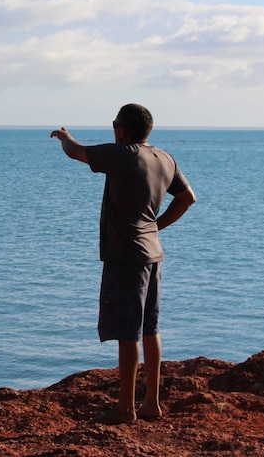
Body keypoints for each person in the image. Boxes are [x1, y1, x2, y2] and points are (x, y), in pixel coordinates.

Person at [50, 104, 195, 425]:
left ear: (122, 129)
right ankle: (152, 403)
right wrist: (156, 226)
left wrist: (64, 136)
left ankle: (125, 408)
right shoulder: (165, 158)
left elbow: (76, 152)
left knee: (128, 332)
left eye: (114, 124)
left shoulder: (124, 154)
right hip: (153, 254)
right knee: (150, 329)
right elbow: (187, 198)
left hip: (126, 257)